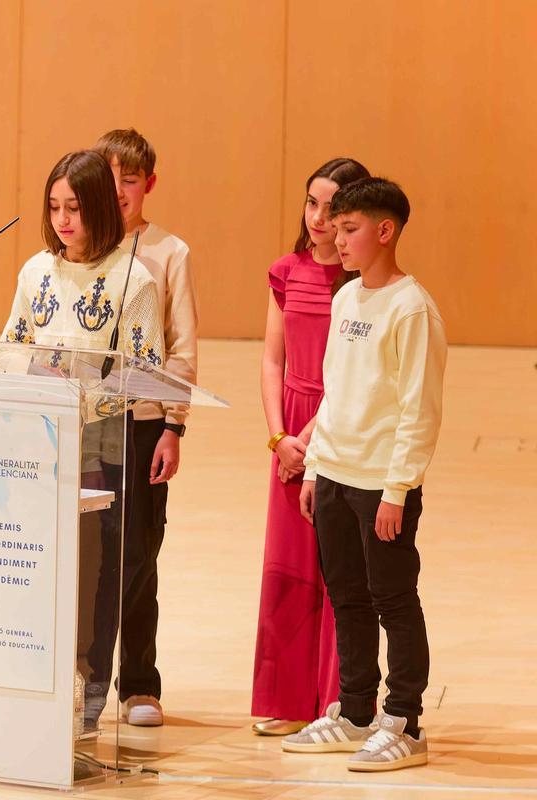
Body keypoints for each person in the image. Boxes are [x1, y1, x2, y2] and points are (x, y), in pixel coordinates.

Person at [283, 178, 446, 772]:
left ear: (385, 230)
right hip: (334, 475)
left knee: (393, 600)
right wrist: (315, 468)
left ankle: (404, 721)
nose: (337, 238)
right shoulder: (347, 297)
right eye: (335, 227)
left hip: (382, 484)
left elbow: (419, 409)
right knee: (346, 598)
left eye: (349, 229)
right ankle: (355, 712)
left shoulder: (412, 308)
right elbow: (336, 390)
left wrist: (397, 490)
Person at [1, 149, 164, 728]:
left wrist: (81, 391)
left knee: (95, 571)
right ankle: (33, 678)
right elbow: (12, 346)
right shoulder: (35, 271)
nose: (63, 220)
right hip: (38, 443)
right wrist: (31, 375)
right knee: (38, 563)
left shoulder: (133, 277)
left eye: (73, 207)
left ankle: (91, 688)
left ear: (98, 206)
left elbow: (145, 371)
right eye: (54, 207)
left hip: (102, 444)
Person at [76, 129, 199, 729]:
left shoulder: (169, 252)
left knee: (138, 555)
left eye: (131, 180)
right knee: (89, 554)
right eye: (109, 178)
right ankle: (86, 678)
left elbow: (182, 348)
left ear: (149, 184)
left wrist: (173, 426)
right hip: (86, 424)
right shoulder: (77, 248)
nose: (120, 190)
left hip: (143, 423)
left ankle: (139, 683)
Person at [251, 158, 370, 736]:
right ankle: (288, 699)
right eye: (311, 203)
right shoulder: (286, 271)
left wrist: (309, 438)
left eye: (333, 207)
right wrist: (280, 438)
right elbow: (271, 360)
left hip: (337, 426)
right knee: (289, 566)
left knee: (337, 569)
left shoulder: (360, 285)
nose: (319, 218)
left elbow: (348, 375)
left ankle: (336, 702)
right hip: (291, 433)